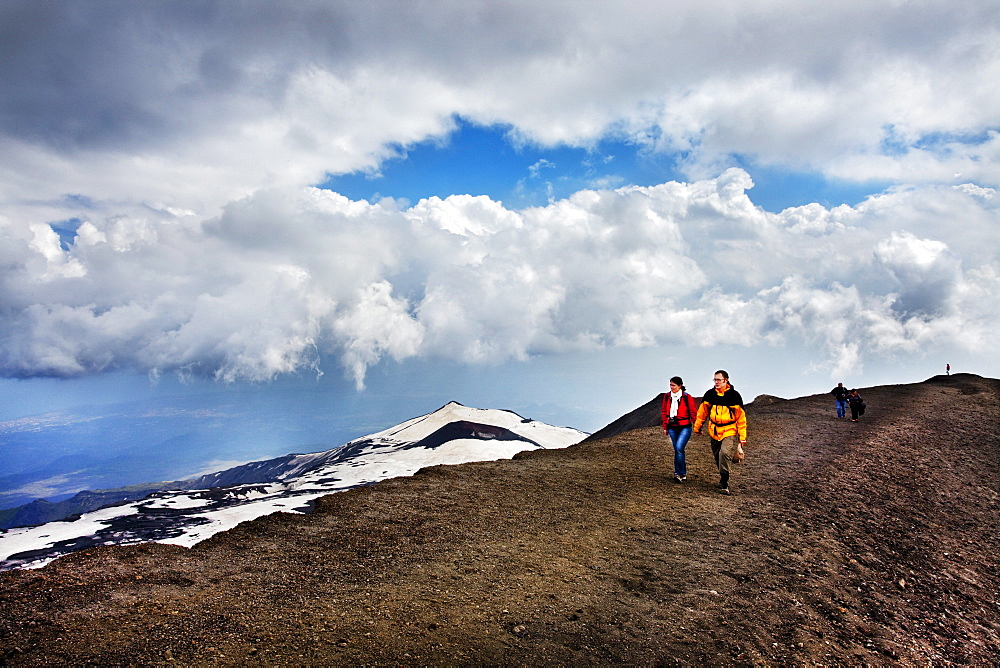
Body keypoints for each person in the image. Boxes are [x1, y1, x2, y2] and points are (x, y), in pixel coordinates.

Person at [694, 370, 747, 495]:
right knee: (718, 456)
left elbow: (741, 418)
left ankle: (724, 481)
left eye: (719, 380)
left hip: (729, 429)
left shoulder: (734, 396)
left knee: (724, 453)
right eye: (715, 380)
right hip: (714, 430)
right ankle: (723, 473)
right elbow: (702, 413)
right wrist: (697, 428)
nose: (716, 382)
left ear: (726, 380)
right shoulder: (710, 395)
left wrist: (742, 437)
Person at [661, 376, 698, 483]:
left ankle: (678, 473)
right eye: (670, 385)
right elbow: (664, 412)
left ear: (680, 386)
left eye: (673, 385)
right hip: (672, 426)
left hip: (685, 427)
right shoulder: (667, 396)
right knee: (678, 450)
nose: (671, 387)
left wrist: (696, 426)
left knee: (678, 448)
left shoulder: (687, 397)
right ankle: (682, 473)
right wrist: (665, 427)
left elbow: (693, 412)